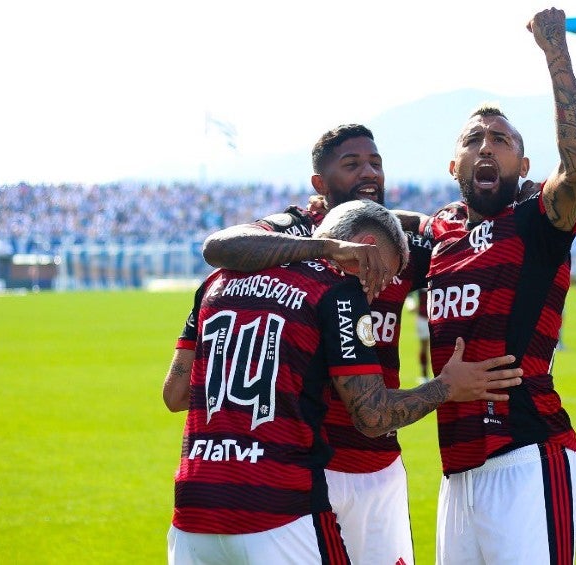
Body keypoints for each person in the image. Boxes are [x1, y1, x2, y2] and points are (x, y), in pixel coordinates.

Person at [164, 199, 523, 565]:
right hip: (278, 508)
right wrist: (446, 386)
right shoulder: (336, 291)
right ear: (365, 247)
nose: (379, 292)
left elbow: (174, 394)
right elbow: (372, 416)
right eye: (384, 276)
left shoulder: (216, 282)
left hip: (193, 509)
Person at [163, 124, 435, 565]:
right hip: (306, 463)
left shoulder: (397, 241)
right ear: (319, 184)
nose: (369, 172)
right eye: (352, 164)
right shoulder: (289, 235)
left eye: (375, 163)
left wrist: (424, 221)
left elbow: (460, 244)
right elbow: (218, 247)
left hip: (373, 461)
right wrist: (326, 247)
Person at [411, 8, 576, 564]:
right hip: (457, 470)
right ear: (454, 165)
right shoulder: (437, 233)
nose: (486, 146)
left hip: (528, 457)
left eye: (501, 139)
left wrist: (555, 53)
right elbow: (371, 227)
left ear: (524, 162)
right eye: (473, 139)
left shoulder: (536, 222)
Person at [407, 288, 431, 383]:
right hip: (423, 319)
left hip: (437, 317)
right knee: (424, 348)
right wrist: (411, 304)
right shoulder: (421, 281)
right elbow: (410, 293)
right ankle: (424, 376)